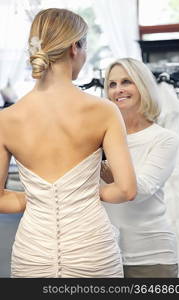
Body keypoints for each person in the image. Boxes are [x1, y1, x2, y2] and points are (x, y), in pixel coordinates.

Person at [0, 9, 137, 278]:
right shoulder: (104, 111)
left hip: (33, 255)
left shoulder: (6, 119)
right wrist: (80, 196)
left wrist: (42, 200)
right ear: (75, 47)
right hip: (92, 251)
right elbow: (126, 190)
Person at [101, 57, 179, 278]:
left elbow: (139, 190)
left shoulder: (164, 139)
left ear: (142, 85)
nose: (118, 90)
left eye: (126, 82)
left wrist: (97, 173)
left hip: (152, 256)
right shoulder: (99, 138)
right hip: (105, 255)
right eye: (112, 84)